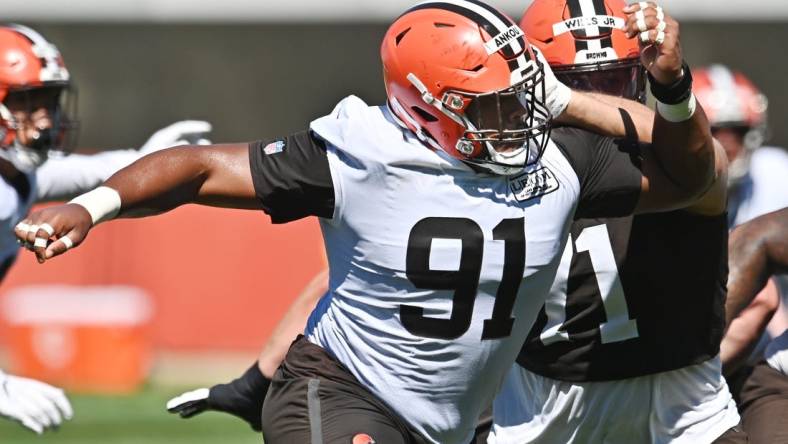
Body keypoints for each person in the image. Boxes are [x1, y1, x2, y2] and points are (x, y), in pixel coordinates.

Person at [15, 1, 717, 442]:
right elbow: (195, 166)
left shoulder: (560, 158)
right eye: (495, 108)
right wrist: (91, 205)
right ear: (424, 109)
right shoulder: (361, 150)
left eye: (523, 100)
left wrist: (628, 93)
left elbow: (693, 175)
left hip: (458, 425)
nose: (518, 121)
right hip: (343, 392)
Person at [483, 1, 741, 443]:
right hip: (542, 418)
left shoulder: (681, 166)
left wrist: (671, 85)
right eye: (578, 84)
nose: (595, 102)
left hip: (687, 418)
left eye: (614, 81)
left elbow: (706, 168)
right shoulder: (507, 168)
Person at [0, 23, 211, 434]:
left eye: (49, 101)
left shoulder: (18, 175)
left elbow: (86, 171)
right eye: (28, 102)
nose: (44, 120)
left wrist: (148, 158)